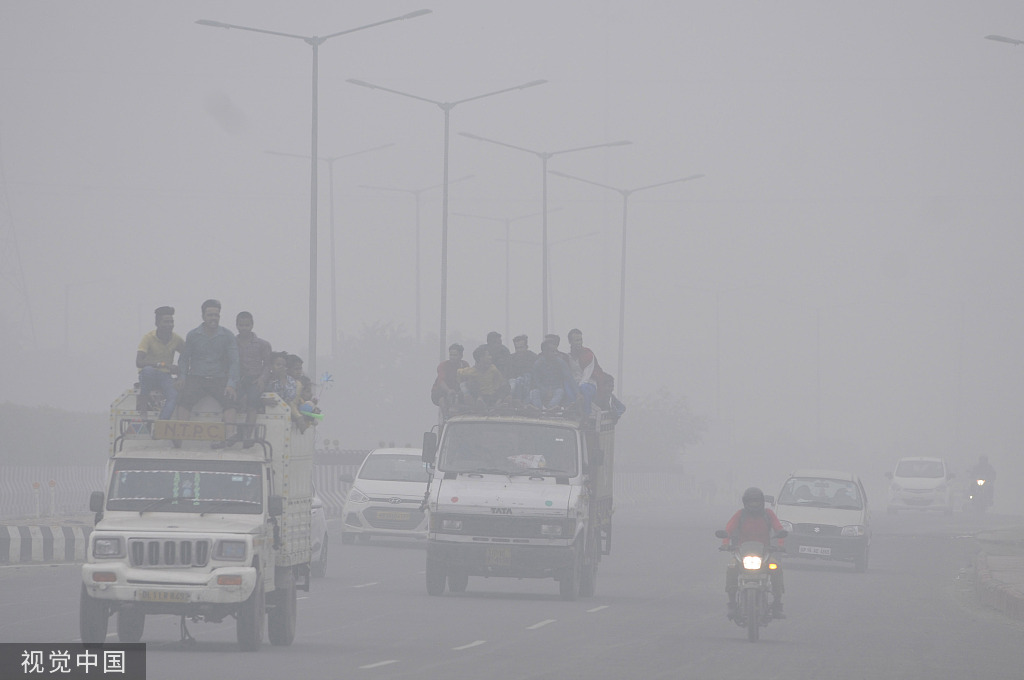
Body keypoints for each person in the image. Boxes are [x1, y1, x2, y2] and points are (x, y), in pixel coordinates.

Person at [174, 299, 240, 447]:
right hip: (196, 377)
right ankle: (179, 434)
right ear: (203, 316)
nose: (213, 319)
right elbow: (184, 359)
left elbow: (234, 362)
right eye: (210, 315)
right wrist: (182, 377)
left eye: (216, 315)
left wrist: (231, 384)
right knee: (184, 399)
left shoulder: (227, 335)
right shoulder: (192, 335)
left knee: (230, 401)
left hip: (218, 377)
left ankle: (230, 434)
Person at [721, 487, 786, 619]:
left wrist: (780, 545)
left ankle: (777, 603)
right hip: (741, 552)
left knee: (776, 568)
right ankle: (732, 603)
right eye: (751, 502)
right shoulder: (740, 514)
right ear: (746, 503)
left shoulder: (768, 514)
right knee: (732, 567)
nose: (754, 504)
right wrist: (725, 543)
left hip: (765, 553)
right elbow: (728, 528)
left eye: (756, 502)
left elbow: (779, 528)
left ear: (761, 502)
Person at [136, 305, 184, 420]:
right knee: (147, 371)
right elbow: (139, 362)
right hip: (149, 374)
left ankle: (161, 424)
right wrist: (162, 364)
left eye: (171, 322)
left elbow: (187, 355)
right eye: (166, 322)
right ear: (157, 323)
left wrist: (180, 371)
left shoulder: (176, 339)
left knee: (173, 396)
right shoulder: (148, 338)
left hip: (165, 376)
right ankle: (143, 410)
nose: (169, 325)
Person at [233, 311, 272, 447]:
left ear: (252, 325)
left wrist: (262, 379)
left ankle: (248, 436)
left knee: (252, 402)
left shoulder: (263, 344)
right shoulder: (231, 343)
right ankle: (230, 434)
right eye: (241, 325)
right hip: (238, 380)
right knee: (230, 401)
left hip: (255, 380)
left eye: (247, 325)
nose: (244, 328)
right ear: (237, 325)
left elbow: (267, 364)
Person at [567, 328, 610, 416]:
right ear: (570, 342)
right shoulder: (568, 357)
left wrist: (578, 391)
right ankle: (572, 408)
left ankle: (586, 414)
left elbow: (586, 377)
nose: (579, 342)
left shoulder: (588, 355)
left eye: (580, 339)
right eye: (576, 340)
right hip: (574, 384)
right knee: (566, 386)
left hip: (589, 384)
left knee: (584, 388)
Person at [458, 345, 510, 410]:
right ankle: (479, 402)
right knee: (470, 382)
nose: (490, 357)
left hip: (492, 396)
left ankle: (498, 403)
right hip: (479, 396)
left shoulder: (493, 368)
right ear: (481, 358)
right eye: (488, 355)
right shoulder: (470, 371)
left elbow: (501, 381)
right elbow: (459, 374)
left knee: (506, 384)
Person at [529, 338, 574, 412]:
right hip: (542, 390)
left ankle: (550, 409)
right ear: (545, 352)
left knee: (560, 392)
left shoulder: (560, 362)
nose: (555, 353)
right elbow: (536, 382)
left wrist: (578, 393)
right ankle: (539, 410)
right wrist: (546, 391)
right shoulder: (537, 364)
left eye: (555, 351)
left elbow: (569, 378)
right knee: (534, 392)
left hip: (555, 389)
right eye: (553, 351)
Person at [431, 344, 469, 412]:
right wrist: (448, 390)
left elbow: (468, 379)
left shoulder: (465, 365)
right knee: (442, 400)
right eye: (451, 355)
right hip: (440, 391)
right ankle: (445, 417)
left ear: (461, 356)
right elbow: (441, 381)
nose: (452, 357)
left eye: (455, 355)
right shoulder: (443, 365)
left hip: (457, 391)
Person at [508, 334, 538, 401]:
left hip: (530, 384)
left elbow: (536, 375)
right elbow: (510, 374)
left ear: (526, 347)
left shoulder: (533, 357)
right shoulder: (511, 358)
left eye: (521, 347)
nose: (519, 350)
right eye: (516, 348)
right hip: (516, 384)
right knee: (517, 381)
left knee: (527, 377)